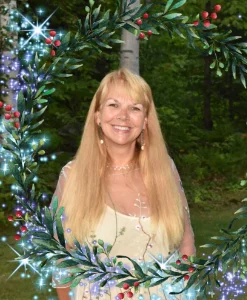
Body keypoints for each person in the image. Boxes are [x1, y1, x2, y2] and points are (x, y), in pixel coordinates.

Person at [50, 68, 196, 300]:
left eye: (135, 108)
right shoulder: (73, 176)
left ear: (145, 120)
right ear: (97, 115)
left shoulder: (164, 170)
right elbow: (59, 257)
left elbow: (186, 243)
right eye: (113, 105)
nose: (123, 116)